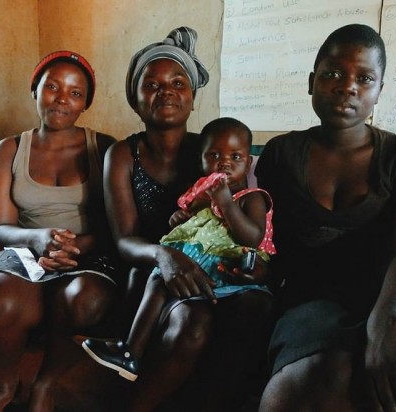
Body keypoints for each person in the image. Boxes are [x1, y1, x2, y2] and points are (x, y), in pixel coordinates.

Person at [256, 24, 396, 411]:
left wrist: (388, 320)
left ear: (379, 90)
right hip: (313, 300)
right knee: (321, 372)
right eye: (332, 74)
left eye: (364, 78)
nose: (347, 87)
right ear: (311, 82)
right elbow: (265, 238)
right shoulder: (281, 153)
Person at [103, 28, 275, 411]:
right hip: (151, 271)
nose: (165, 91)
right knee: (192, 321)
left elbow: (245, 219)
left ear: (193, 97)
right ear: (136, 99)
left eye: (178, 83)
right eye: (152, 84)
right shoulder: (120, 156)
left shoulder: (216, 150)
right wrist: (166, 258)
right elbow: (125, 240)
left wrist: (254, 268)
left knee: (255, 309)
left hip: (214, 267)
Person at [0, 50, 120, 412]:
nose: (61, 99)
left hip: (91, 249)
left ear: (85, 103)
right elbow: (2, 226)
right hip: (25, 247)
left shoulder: (105, 147)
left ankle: (46, 384)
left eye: (74, 92)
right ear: (35, 90)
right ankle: (5, 387)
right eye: (51, 87)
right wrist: (37, 240)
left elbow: (115, 224)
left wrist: (74, 247)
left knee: (86, 299)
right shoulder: (9, 149)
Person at [83, 116, 276, 382]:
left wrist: (227, 204)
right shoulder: (202, 193)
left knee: (162, 280)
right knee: (158, 277)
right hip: (200, 264)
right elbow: (195, 219)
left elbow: (252, 237)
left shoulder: (251, 198)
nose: (225, 163)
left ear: (248, 161)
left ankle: (134, 352)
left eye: (236, 157)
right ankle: (130, 351)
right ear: (201, 160)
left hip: (228, 268)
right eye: (214, 155)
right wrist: (180, 218)